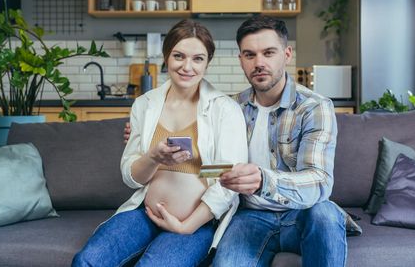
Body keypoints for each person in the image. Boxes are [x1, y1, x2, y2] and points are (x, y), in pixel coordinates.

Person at [72, 19, 248, 267]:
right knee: (87, 261)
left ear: (208, 62)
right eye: (179, 56)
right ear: (166, 57)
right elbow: (131, 176)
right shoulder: (145, 104)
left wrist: (186, 226)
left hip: (195, 222)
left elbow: (227, 177)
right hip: (144, 214)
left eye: (198, 58)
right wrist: (154, 158)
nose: (187, 66)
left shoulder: (224, 109)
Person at [213, 15, 350, 267]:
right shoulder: (229, 107)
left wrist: (264, 180)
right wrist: (145, 134)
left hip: (303, 213)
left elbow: (319, 181)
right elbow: (205, 162)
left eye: (268, 52)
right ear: (240, 60)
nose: (259, 63)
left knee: (325, 214)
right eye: (249, 55)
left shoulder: (314, 107)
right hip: (250, 216)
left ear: (286, 54)